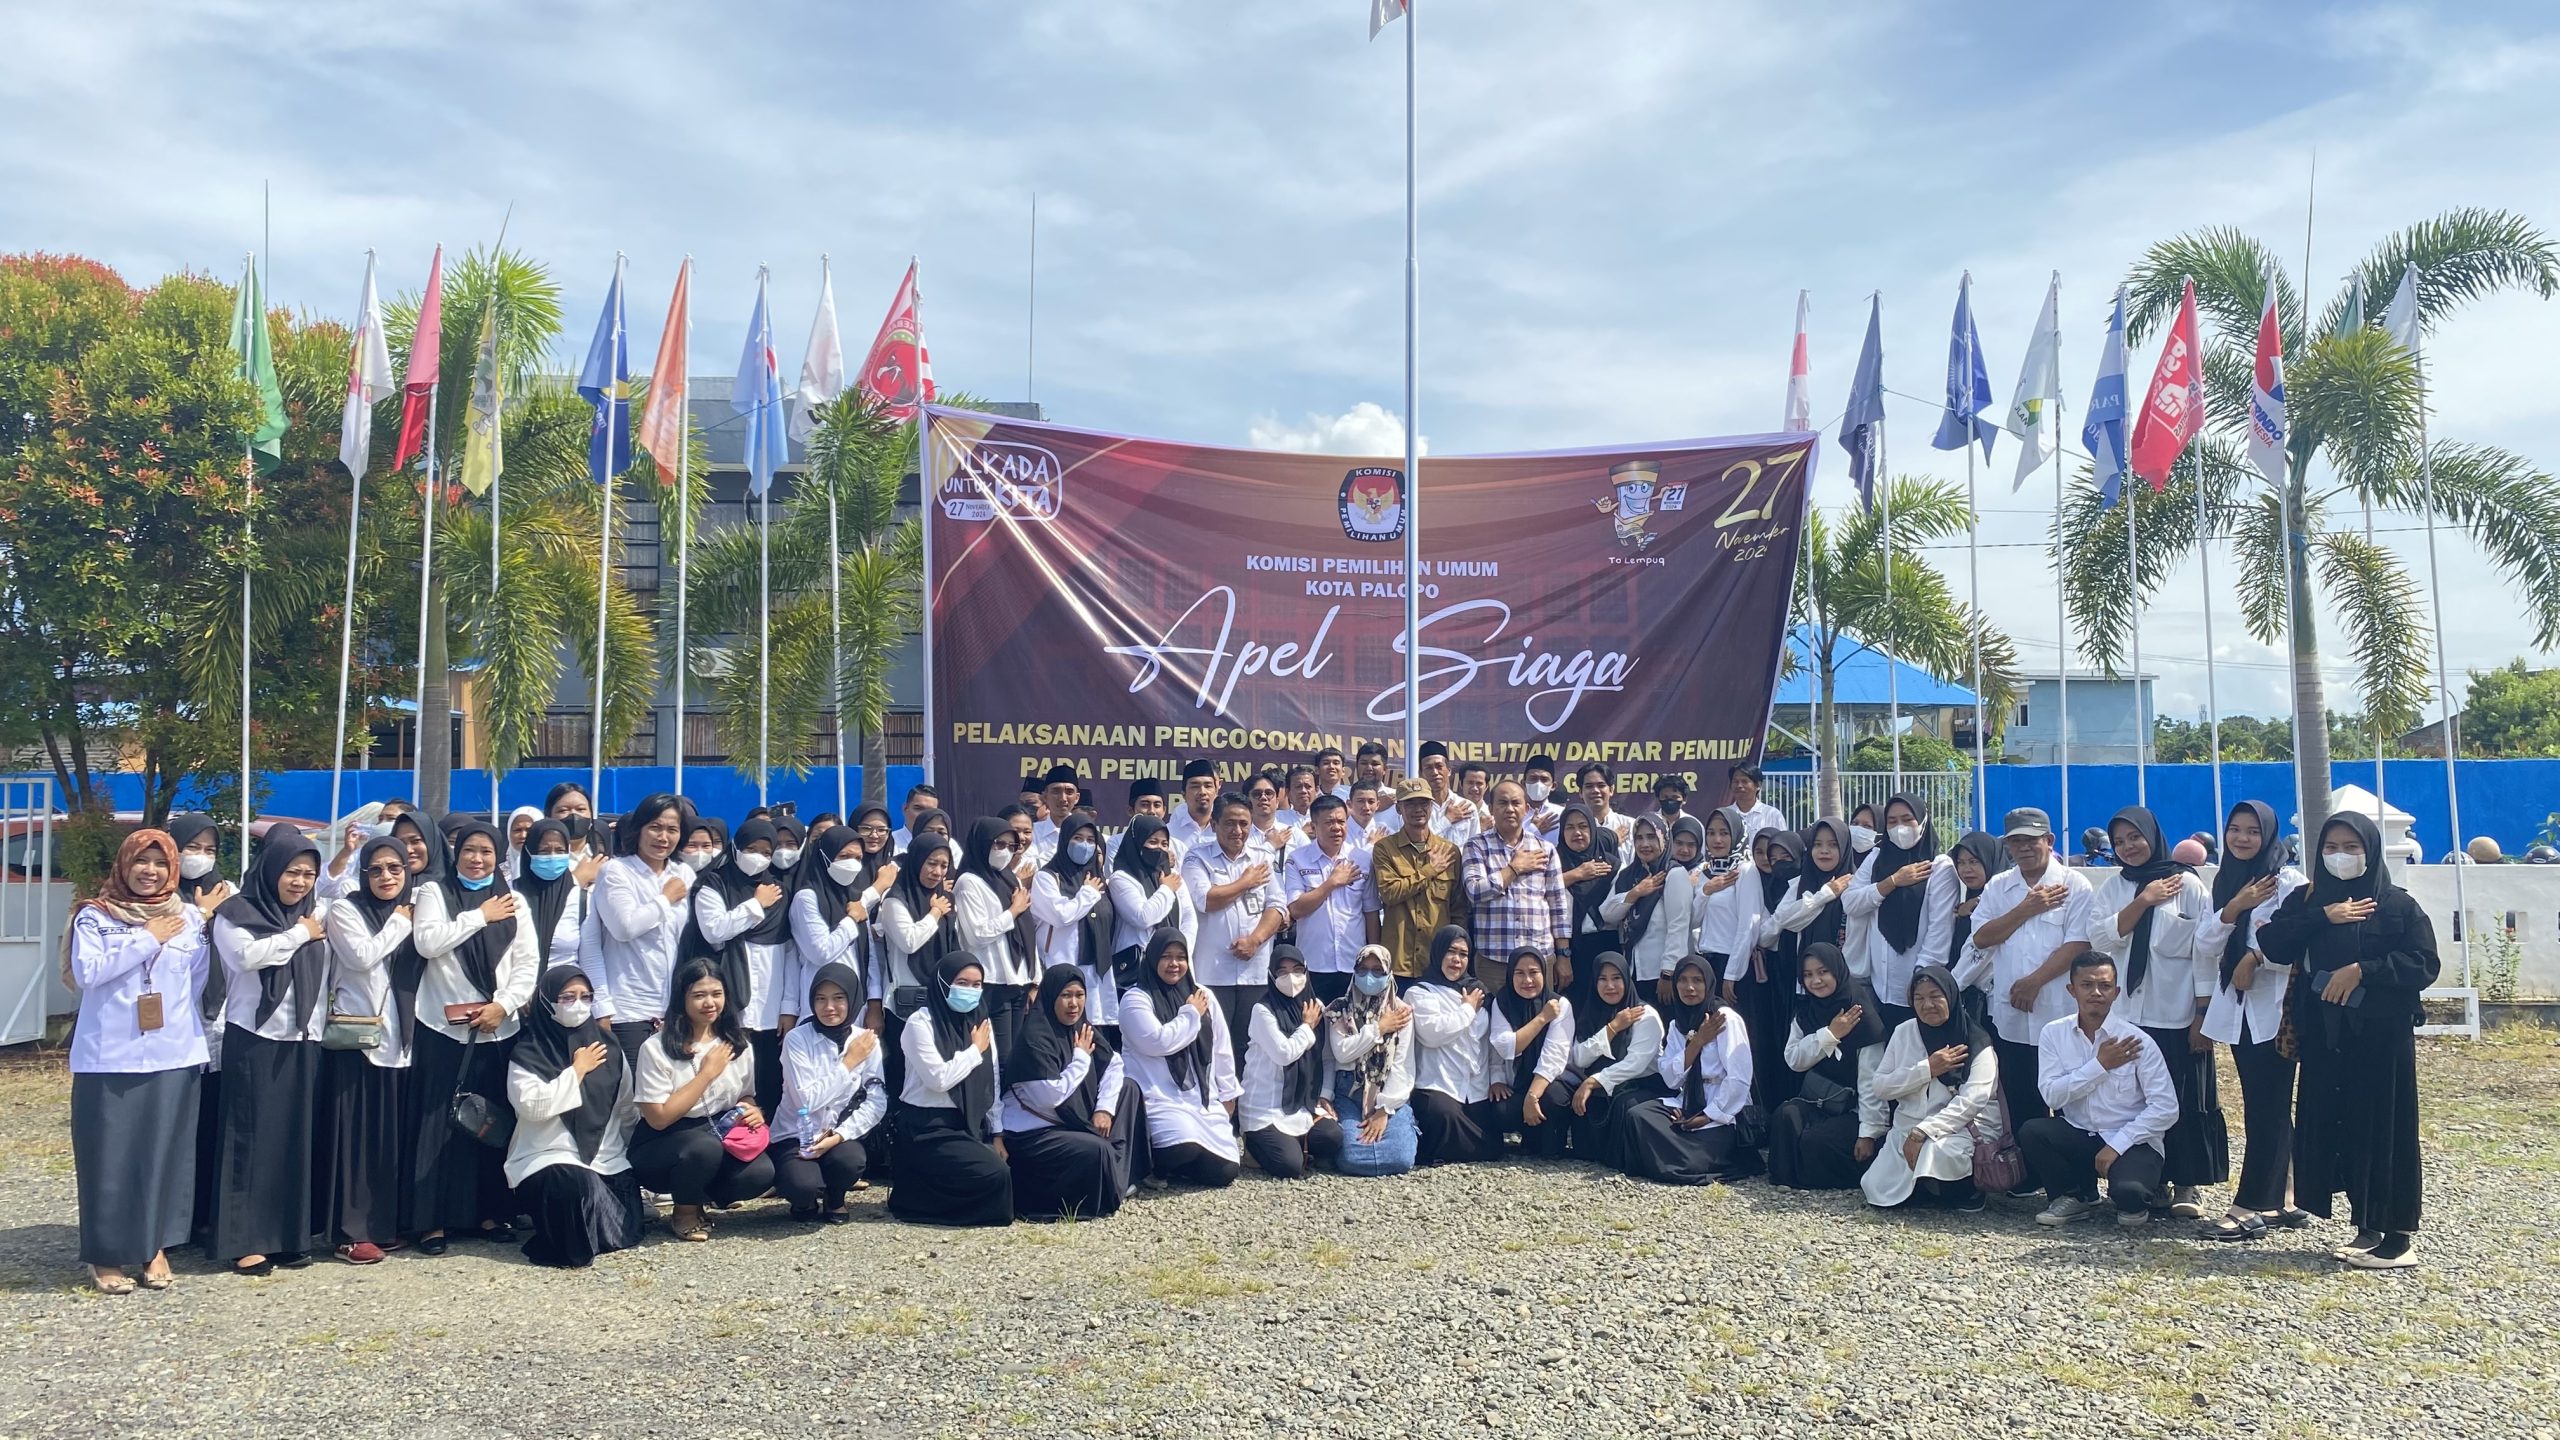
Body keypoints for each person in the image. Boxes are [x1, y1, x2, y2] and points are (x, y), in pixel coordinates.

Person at [2256, 810, 2439, 1270]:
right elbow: (2273, 943)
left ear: (2371, 851)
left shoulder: (2397, 905)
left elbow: (2423, 963)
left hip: (2380, 1038)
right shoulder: (2307, 899)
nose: (2340, 856)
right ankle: (2367, 1225)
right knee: (2341, 1125)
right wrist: (2323, 916)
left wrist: (2362, 971)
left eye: (2352, 847)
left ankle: (2398, 1236)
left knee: (2386, 1129)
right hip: (2324, 1037)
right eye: (2331, 848)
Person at [67, 828, 209, 1294]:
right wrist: (147, 938)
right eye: (141, 862)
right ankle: (106, 1255)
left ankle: (154, 1247)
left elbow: (196, 981)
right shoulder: (95, 916)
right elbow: (89, 972)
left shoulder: (188, 917)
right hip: (109, 1057)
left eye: (160, 863)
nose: (150, 871)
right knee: (108, 1157)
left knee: (163, 1155)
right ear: (124, 866)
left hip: (173, 1053)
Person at [2081, 805, 2224, 1220]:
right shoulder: (2114, 888)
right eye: (2120, 841)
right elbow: (2099, 938)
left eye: (2135, 838)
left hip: (2175, 1015)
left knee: (2185, 1096)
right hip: (2128, 1016)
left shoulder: (2188, 885)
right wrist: (2144, 900)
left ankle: (2187, 1183)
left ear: (2153, 836)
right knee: (2136, 1099)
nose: (2128, 847)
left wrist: (2203, 1015)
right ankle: (2151, 1177)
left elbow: (2205, 954)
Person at [408, 819, 538, 1253]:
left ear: (498, 857)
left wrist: (504, 1004)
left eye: (486, 852)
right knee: (438, 1126)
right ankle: (433, 1221)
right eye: (469, 850)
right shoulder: (434, 892)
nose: (477, 859)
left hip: (498, 1027)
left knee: (490, 1123)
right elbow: (428, 942)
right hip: (442, 1028)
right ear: (456, 852)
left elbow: (527, 962)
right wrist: (480, 916)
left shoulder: (514, 899)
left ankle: (490, 1213)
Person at [210, 832, 329, 1276]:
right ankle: (244, 1241)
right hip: (255, 1037)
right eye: (292, 872)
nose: (300, 882)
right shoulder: (235, 913)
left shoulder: (316, 913)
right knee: (250, 1139)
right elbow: (247, 957)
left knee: (293, 1140)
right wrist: (300, 934)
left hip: (304, 1037)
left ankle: (288, 1237)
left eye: (309, 874)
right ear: (271, 870)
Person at [2193, 800, 2311, 1241]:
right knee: (2265, 1104)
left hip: (2277, 1011)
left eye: (2253, 831)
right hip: (2240, 1012)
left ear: (2269, 835)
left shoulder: (2288, 881)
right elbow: (2206, 944)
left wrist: (2257, 957)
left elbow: (2301, 942)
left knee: (2267, 1107)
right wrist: (2234, 907)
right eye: (2235, 829)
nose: (2242, 838)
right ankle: (2286, 1197)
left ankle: (2250, 1206)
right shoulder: (2227, 880)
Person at [1955, 808, 2094, 1146]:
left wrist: (2034, 982)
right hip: (2012, 1017)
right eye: (2016, 842)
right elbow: (1982, 938)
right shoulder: (1999, 887)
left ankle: (2075, 1174)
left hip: (2060, 1012)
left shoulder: (2075, 885)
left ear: (2050, 840)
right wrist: (2025, 909)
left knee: (2072, 1104)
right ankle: (2027, 1171)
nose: (2024, 848)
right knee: (2021, 1102)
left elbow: (2079, 944)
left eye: (2032, 840)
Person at [317, 837, 418, 1265]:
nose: (386, 877)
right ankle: (348, 1232)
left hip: (402, 1039)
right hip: (357, 1040)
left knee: (386, 1137)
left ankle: (380, 1224)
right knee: (353, 1139)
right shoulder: (346, 910)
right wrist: (398, 924)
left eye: (395, 868)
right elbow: (361, 957)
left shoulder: (415, 908)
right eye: (375, 869)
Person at [2021, 953, 2179, 1227]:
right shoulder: (2053, 1033)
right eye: (2087, 985)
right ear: (2072, 990)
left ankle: (2132, 1189)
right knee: (2033, 1132)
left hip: (2130, 1139)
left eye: (2104, 986)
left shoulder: (2137, 1041)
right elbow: (2051, 1095)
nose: (2096, 992)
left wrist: (2117, 1145)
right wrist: (2099, 1065)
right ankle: (2073, 1197)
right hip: (2080, 1132)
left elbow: (2166, 1108)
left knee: (2131, 1200)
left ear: (2116, 993)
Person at [507, 966, 645, 1268]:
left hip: (606, 1157)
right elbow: (532, 1107)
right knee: (574, 1186)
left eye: (585, 997)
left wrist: (631, 1154)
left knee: (627, 1226)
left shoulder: (609, 1047)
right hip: (548, 1156)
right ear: (546, 1001)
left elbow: (625, 1105)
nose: (578, 1004)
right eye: (567, 997)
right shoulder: (529, 1052)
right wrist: (577, 1071)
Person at [631, 957, 777, 1240]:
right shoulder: (656, 1047)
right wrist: (707, 1073)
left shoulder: (738, 1043)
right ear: (682, 998)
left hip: (720, 1130)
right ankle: (684, 1211)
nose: (709, 1003)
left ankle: (699, 1197)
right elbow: (658, 1119)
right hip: (664, 1140)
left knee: (760, 1172)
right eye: (699, 995)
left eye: (716, 994)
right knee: (703, 1148)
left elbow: (745, 1094)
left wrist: (752, 1109)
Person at [1003, 964, 1145, 1218]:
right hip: (1034, 1133)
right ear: (1051, 997)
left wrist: (1104, 1109)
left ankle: (1112, 1178)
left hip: (1067, 1117)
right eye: (1066, 995)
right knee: (1098, 1150)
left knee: (1128, 1089)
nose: (1074, 1004)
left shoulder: (1080, 1026)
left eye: (1080, 995)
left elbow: (1113, 1064)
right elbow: (1050, 1097)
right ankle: (1113, 1180)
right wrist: (1080, 1058)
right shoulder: (1035, 1037)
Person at [1859, 963, 1999, 1211]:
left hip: (1960, 1130)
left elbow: (1973, 1100)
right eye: (1919, 999)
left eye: (1936, 996)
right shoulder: (1904, 1032)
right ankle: (1928, 1188)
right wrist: (1927, 1069)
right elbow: (1880, 1086)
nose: (1927, 1005)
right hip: (1908, 1126)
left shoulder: (1977, 1041)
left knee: (1939, 1154)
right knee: (1874, 1186)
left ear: (1951, 996)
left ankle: (1967, 1190)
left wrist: (1924, 1131)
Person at [888, 954, 1014, 1227]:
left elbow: (990, 1081)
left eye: (977, 985)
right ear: (943, 983)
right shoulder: (920, 1023)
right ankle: (922, 1204)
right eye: (962, 983)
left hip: (967, 1123)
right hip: (926, 1127)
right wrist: (974, 1051)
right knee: (994, 1173)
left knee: (1011, 1170)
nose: (970, 991)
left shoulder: (979, 1022)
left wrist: (997, 1134)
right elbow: (938, 1079)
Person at [687, 816, 799, 1119]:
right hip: (731, 1005)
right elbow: (714, 930)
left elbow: (790, 952)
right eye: (751, 849)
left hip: (773, 1009)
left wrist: (789, 1007)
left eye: (765, 852)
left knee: (771, 1083)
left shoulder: (779, 891)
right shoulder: (714, 883)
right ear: (736, 848)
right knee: (731, 1083)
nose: (758, 857)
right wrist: (756, 904)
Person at [1117, 928, 1243, 1187]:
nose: (1174, 964)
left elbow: (1221, 1047)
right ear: (1153, 958)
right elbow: (1159, 1041)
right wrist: (1191, 1014)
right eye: (1166, 957)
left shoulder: (1201, 995)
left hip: (1200, 1100)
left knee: (1226, 1172)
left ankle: (1180, 1169)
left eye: (1180, 957)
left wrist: (1228, 1093)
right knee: (1182, 1145)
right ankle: (1151, 1168)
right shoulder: (1136, 998)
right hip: (1158, 1097)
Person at [1617, 956, 1756, 1185]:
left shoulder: (1725, 1019)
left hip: (1723, 1107)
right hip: (1688, 1100)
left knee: (1693, 1154)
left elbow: (1739, 1078)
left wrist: (1708, 1115)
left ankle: (1679, 1160)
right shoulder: (1677, 1024)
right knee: (1638, 1116)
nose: (1689, 987)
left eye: (1697, 980)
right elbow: (1671, 1079)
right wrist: (1697, 1042)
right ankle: (1675, 1157)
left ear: (1708, 983)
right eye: (1682, 980)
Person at [773, 962, 888, 1223]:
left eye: (838, 998)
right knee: (802, 1185)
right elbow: (806, 1100)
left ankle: (835, 1198)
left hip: (838, 1133)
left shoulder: (865, 1040)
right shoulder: (797, 1039)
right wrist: (848, 1062)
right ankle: (803, 1201)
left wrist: (839, 1136)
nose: (829, 1007)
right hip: (795, 1135)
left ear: (853, 1000)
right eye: (820, 999)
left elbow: (876, 1099)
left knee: (850, 1161)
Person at [1768, 943, 1888, 1191]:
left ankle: (1812, 1176)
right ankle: (1787, 1179)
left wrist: (1868, 1133)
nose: (1816, 981)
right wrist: (1830, 1034)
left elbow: (1871, 1082)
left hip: (1854, 1110)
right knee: (1785, 1116)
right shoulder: (1806, 1011)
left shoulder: (1862, 1016)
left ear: (1838, 971)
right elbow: (1794, 1060)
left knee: (1816, 1141)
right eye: (1808, 975)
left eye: (1823, 972)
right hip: (1819, 1101)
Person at [1183, 792, 1287, 1075]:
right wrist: (1246, 882)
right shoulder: (1196, 857)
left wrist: (1255, 940)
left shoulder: (1261, 857)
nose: (1237, 830)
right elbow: (1206, 900)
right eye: (1229, 823)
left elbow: (1277, 906)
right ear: (1214, 824)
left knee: (1249, 1046)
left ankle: (1244, 1101)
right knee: (1212, 1045)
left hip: (1255, 971)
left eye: (1244, 824)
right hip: (1212, 973)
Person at [1842, 794, 1959, 1034]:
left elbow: (1939, 931)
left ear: (1923, 821)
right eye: (1892, 821)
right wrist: (1893, 881)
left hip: (1918, 993)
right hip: (1876, 988)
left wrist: (1921, 980)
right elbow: (1851, 903)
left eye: (1907, 819)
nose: (1899, 828)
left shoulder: (1939, 866)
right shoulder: (1877, 858)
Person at [589, 795, 694, 1062]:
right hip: (629, 1009)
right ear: (639, 829)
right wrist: (665, 899)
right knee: (636, 1086)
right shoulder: (616, 871)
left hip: (675, 1010)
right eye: (655, 827)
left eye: (672, 829)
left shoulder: (684, 874)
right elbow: (624, 928)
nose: (663, 837)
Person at [1239, 947, 1344, 1178]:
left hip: (1303, 1102)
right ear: (1272, 975)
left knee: (1332, 1137)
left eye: (1297, 970)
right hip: (1266, 1106)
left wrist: (1325, 1094)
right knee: (1289, 1165)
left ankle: (1295, 1142)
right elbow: (1284, 1054)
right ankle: (1254, 1144)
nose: (1291, 978)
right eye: (1282, 972)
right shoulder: (1263, 1010)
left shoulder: (1315, 1006)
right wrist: (1306, 1026)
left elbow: (1326, 1058)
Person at [1696, 813, 1777, 1107]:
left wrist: (1732, 974)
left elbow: (1749, 925)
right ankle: (1714, 1105)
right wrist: (1706, 890)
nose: (1717, 839)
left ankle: (1749, 1111)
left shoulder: (1745, 870)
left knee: (1740, 1041)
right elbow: (1693, 919)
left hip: (1734, 968)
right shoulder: (1707, 872)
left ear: (1736, 836)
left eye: (1724, 833)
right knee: (1713, 1040)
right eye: (1711, 833)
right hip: (1707, 965)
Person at [1460, 780, 1570, 993]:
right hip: (1494, 958)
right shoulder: (1476, 846)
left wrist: (1564, 956)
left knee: (1541, 1013)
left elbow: (1558, 906)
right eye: (1502, 803)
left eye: (1515, 803)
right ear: (1491, 808)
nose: (1509, 809)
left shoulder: (1545, 849)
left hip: (1539, 956)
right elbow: (1474, 891)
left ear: (1526, 809)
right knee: (1492, 1012)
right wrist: (1514, 868)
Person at [1405, 925, 1502, 1165]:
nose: (1457, 960)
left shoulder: (1479, 991)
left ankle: (1446, 1149)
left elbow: (1490, 1042)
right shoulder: (1421, 991)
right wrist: (1467, 1009)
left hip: (1475, 1086)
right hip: (1438, 1083)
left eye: (1463, 954)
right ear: (1438, 952)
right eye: (1451, 951)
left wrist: (1496, 1078)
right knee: (1442, 1114)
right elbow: (1433, 1034)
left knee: (1493, 1140)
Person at [952, 816, 1040, 1072]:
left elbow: (1027, 933)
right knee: (998, 1058)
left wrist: (1034, 978)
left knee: (1014, 1057)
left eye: (1011, 846)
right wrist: (1012, 911)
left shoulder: (1010, 879)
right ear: (983, 843)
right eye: (998, 844)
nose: (1005, 851)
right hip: (991, 980)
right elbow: (977, 934)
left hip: (1018, 980)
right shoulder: (969, 882)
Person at [1564, 954, 1666, 1167]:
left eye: (1616, 978)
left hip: (1645, 1085)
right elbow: (1580, 1058)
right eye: (1602, 979)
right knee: (1585, 1107)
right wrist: (1612, 1028)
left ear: (1627, 979)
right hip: (1607, 1083)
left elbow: (1635, 1064)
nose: (1610, 986)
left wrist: (1592, 1081)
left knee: (1623, 1105)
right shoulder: (1591, 1012)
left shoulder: (1645, 1014)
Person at [1326, 945, 1419, 1177]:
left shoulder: (1401, 1011)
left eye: (1378, 970)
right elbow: (1342, 1053)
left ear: (1389, 973)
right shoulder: (1338, 1009)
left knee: (1401, 1157)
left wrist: (1384, 1110)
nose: (1369, 976)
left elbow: (1402, 1065)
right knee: (1350, 1158)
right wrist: (1380, 1028)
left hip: (1388, 1091)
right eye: (1363, 969)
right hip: (1349, 1090)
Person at [1282, 795, 1378, 1004]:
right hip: (1314, 962)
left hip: (1354, 961)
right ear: (1314, 827)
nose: (1336, 828)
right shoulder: (1297, 859)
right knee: (1313, 1021)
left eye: (1341, 821)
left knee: (1353, 1022)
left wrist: (1374, 953)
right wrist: (1331, 883)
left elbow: (1370, 911)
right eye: (1329, 822)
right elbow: (1296, 909)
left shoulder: (1362, 859)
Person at [1371, 778, 1466, 980]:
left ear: (1431, 807)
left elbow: (1458, 908)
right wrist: (1430, 870)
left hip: (1438, 960)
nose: (1418, 809)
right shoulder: (1384, 849)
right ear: (1399, 808)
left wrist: (1458, 953)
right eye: (1410, 804)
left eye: (1423, 803)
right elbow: (1389, 893)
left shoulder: (1449, 851)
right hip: (1399, 961)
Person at [1031, 813, 1119, 1027]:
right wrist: (1087, 894)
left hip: (1096, 971)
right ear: (1064, 840)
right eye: (1078, 838)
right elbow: (1061, 915)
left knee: (1094, 1028)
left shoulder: (1098, 879)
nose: (1085, 845)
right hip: (1062, 965)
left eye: (1090, 840)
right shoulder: (1047, 877)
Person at [1486, 947, 1575, 1157]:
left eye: (1534, 972)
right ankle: (1527, 1135)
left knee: (1552, 1099)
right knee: (1500, 1108)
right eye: (1519, 973)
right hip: (1518, 1082)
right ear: (1510, 975)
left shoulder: (1560, 1004)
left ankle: (1552, 1140)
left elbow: (1553, 1057)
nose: (1527, 980)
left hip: (1552, 1082)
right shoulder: (1502, 1001)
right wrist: (1542, 1018)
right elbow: (1505, 1046)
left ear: (1544, 973)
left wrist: (1532, 1096)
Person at [792, 824, 878, 1036]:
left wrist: (874, 1003)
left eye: (858, 858)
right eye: (844, 856)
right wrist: (851, 920)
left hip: (856, 1006)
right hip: (821, 1006)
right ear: (825, 856)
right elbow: (820, 952)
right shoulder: (807, 898)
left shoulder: (854, 898)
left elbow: (869, 956)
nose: (852, 864)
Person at [1601, 814, 1694, 998]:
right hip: (1633, 970)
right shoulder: (1628, 875)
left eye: (1651, 837)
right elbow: (1607, 914)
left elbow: (1678, 927)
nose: (1644, 844)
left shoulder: (1674, 874)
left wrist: (1668, 972)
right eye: (1639, 838)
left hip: (1660, 974)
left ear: (1664, 838)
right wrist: (1635, 893)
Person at [1108, 814, 1195, 995]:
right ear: (1137, 843)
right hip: (1137, 971)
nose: (1159, 849)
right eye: (1152, 842)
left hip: (1173, 972)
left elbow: (1189, 919)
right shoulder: (1121, 878)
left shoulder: (1173, 877)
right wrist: (1166, 890)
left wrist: (1179, 953)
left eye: (1164, 844)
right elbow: (1143, 917)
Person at [1554, 805, 1621, 1001]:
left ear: (1592, 828)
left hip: (1607, 945)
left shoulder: (1612, 865)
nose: (1577, 833)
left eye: (1583, 826)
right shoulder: (1554, 864)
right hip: (1568, 949)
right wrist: (1576, 874)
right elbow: (1540, 889)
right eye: (1570, 827)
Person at [515, 819, 589, 973]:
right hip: (518, 985)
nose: (552, 856)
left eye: (560, 850)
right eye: (544, 851)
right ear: (529, 852)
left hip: (564, 985)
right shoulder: (510, 895)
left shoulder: (582, 899)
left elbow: (591, 957)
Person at [1719, 764, 1788, 849]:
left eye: (1744, 781)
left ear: (1758, 785)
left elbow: (1783, 845)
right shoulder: (1724, 815)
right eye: (1735, 782)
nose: (1739, 785)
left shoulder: (1772, 815)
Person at [1169, 757, 1222, 856]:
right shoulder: (1169, 833)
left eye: (1208, 786)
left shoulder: (1225, 830)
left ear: (1216, 790)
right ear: (1183, 794)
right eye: (1195, 786)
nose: (1202, 792)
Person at [1574, 764, 1636, 847]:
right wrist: (1611, 840)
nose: (1595, 790)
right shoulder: (1574, 829)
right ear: (1581, 792)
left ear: (1611, 790)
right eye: (1589, 786)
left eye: (1601, 786)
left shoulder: (1630, 825)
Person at [1522, 752, 1566, 840]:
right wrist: (1533, 830)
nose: (1538, 784)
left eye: (1544, 779)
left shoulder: (1562, 814)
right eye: (1533, 778)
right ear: (1523, 783)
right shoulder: (1514, 813)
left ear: (1553, 786)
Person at [1345, 778, 1393, 846]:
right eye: (1360, 801)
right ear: (1349, 804)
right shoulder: (1339, 832)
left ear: (1377, 805)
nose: (1366, 807)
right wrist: (1371, 845)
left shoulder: (1387, 832)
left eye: (1371, 802)